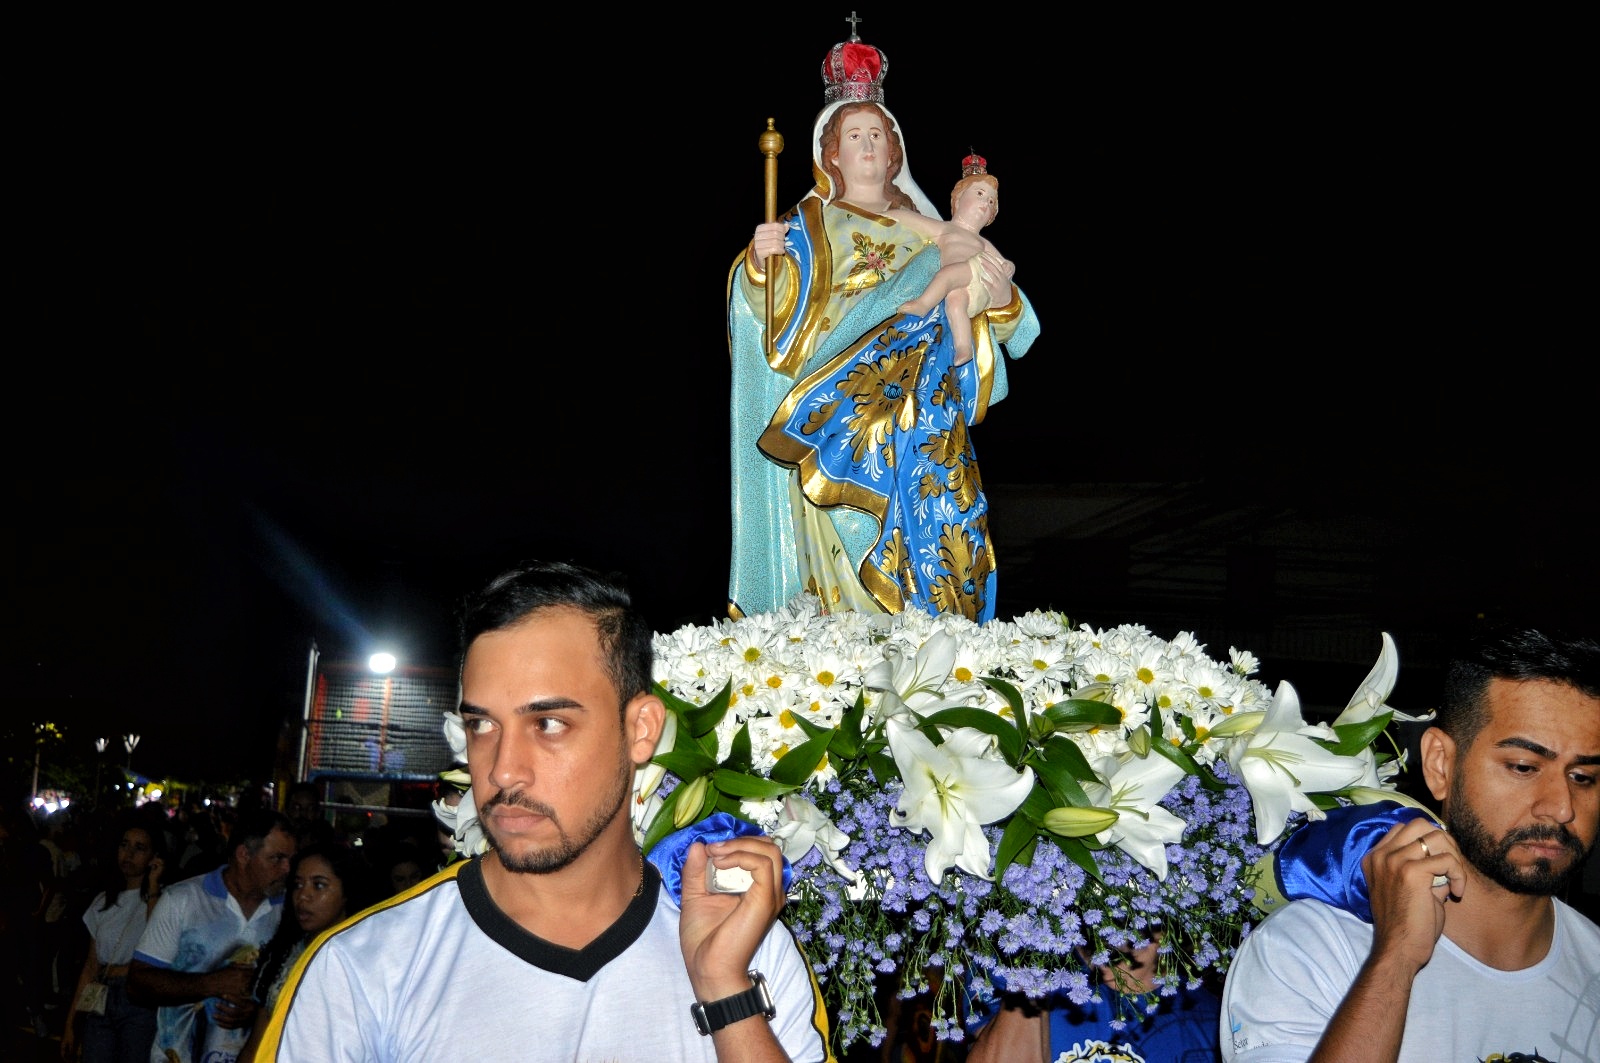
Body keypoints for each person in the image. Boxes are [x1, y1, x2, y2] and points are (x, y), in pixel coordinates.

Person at [256, 560, 830, 1061]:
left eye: (548, 724)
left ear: (641, 731)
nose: (503, 770)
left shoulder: (747, 950)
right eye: (481, 725)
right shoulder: (361, 970)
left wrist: (726, 993)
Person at [729, 17, 1041, 625]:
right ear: (832, 154)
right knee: (848, 561)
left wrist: (999, 297)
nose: (868, 145)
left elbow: (1018, 325)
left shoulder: (934, 228)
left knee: (940, 526)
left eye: (878, 133)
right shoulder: (808, 227)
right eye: (855, 135)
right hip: (840, 403)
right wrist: (760, 264)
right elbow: (766, 312)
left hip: (923, 408)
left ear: (894, 149)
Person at [1220, 624, 1600, 1062]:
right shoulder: (1310, 947)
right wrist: (1395, 960)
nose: (1561, 807)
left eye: (1583, 777)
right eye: (1522, 766)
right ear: (1440, 764)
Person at [128, 808, 296, 1063]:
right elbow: (138, 984)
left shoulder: (290, 913)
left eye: (290, 860)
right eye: (277, 858)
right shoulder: (183, 899)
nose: (287, 869)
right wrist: (212, 983)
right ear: (243, 855)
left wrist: (257, 1012)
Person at [964, 931, 1221, 1063]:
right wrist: (1033, 967)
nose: (1107, 945)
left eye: (1128, 930)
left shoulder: (1212, 1020)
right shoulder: (1041, 966)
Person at [238, 843, 373, 1063]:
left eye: (319, 886)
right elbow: (256, 1046)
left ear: (347, 891)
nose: (303, 896)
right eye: (297, 885)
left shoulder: (363, 962)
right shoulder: (284, 955)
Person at [888, 154, 1015, 367]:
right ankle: (963, 348)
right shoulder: (944, 229)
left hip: (978, 274)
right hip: (966, 291)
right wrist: (890, 215)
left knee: (946, 275)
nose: (986, 202)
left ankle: (923, 304)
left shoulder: (981, 242)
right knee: (955, 304)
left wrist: (1007, 265)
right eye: (980, 194)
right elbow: (914, 220)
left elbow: (1001, 261)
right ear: (958, 198)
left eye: (992, 201)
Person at [60, 815, 167, 1063]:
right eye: (124, 845)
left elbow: (157, 938)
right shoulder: (102, 901)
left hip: (136, 997)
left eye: (139, 848)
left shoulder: (161, 899)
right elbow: (90, 965)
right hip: (101, 994)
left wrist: (153, 885)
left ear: (153, 857)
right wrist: (70, 1023)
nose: (129, 854)